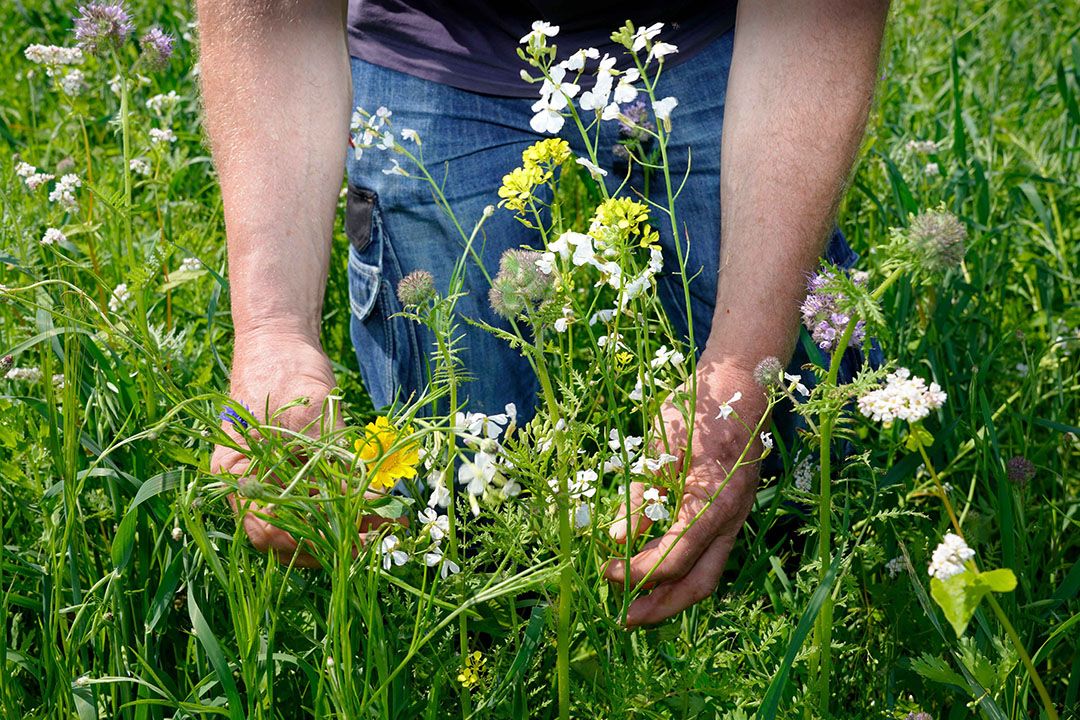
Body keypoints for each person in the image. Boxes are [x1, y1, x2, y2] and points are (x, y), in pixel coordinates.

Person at [200, 0, 890, 627]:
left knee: (797, 490)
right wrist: (273, 335)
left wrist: (743, 363)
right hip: (442, 40)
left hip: (713, 34)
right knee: (465, 532)